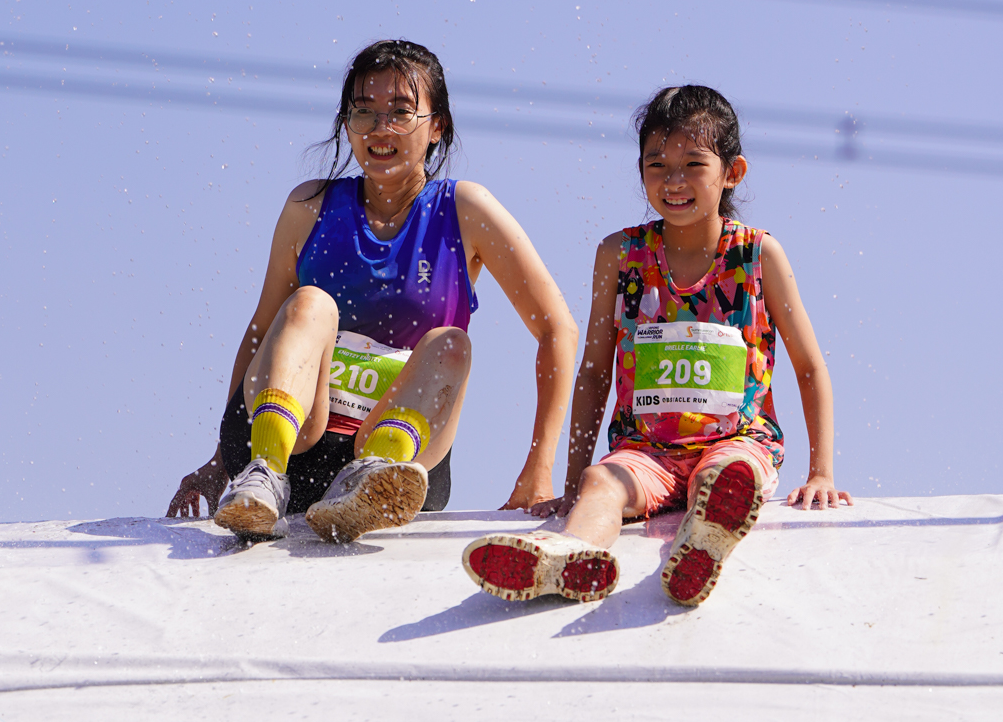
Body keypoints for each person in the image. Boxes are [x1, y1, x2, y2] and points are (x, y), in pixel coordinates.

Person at [166, 38, 579, 544]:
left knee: (452, 344)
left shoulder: (466, 210)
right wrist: (220, 459)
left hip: (393, 463)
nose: (381, 129)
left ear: (437, 126)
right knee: (310, 303)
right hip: (295, 443)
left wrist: (539, 468)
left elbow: (558, 329)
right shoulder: (307, 206)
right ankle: (263, 473)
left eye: (401, 112)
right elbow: (262, 332)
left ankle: (373, 479)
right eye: (364, 112)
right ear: (346, 125)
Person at [463, 83, 851, 607]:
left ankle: (705, 540)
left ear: (732, 172)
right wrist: (574, 479)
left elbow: (809, 366)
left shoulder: (758, 255)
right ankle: (568, 555)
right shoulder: (620, 254)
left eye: (693, 165)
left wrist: (821, 471)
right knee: (602, 483)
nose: (674, 181)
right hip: (644, 451)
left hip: (739, 443)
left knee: (720, 479)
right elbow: (595, 371)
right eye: (657, 166)